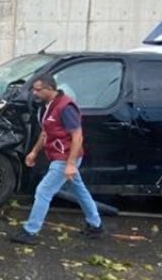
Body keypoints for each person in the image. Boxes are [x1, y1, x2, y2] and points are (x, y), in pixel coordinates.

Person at [8, 73, 105, 245]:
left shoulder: (65, 107)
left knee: (43, 192)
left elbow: (77, 136)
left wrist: (69, 164)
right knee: (79, 190)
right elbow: (46, 133)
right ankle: (95, 225)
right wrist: (34, 152)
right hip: (61, 157)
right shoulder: (48, 106)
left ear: (50, 88)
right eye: (34, 90)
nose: (34, 93)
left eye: (38, 90)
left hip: (65, 158)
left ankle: (30, 231)